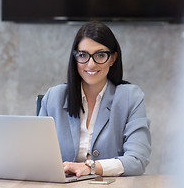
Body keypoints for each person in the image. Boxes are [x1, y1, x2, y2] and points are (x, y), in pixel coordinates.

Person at [39, 21, 151, 177]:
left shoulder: (130, 97)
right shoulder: (54, 97)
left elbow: (137, 160)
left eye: (100, 55)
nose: (91, 64)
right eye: (83, 55)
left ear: (113, 58)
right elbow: (37, 157)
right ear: (75, 58)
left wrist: (91, 167)